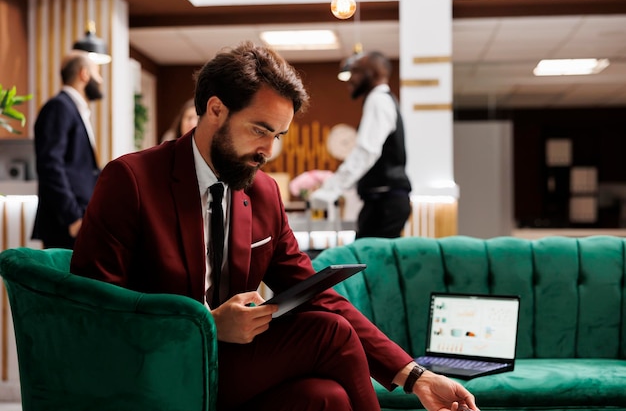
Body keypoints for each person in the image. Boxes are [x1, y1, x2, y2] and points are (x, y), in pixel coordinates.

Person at [70, 41, 479, 411]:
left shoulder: (262, 192)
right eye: (260, 130)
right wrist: (207, 325)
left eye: (278, 135)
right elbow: (92, 313)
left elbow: (318, 295)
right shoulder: (131, 179)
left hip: (228, 367)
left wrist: (417, 376)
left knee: (328, 398)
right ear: (215, 109)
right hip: (155, 368)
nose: (268, 150)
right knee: (328, 333)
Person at [310, 51, 412, 239]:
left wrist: (330, 190)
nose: (350, 79)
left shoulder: (378, 100)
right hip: (383, 202)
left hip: (385, 203)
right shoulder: (383, 100)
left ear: (372, 74)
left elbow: (366, 152)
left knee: (369, 263)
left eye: (356, 71)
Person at [32, 50, 103, 249]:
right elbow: (50, 165)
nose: (100, 81)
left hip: (80, 217)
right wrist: (72, 217)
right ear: (84, 74)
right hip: (66, 223)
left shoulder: (74, 109)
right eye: (98, 73)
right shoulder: (59, 107)